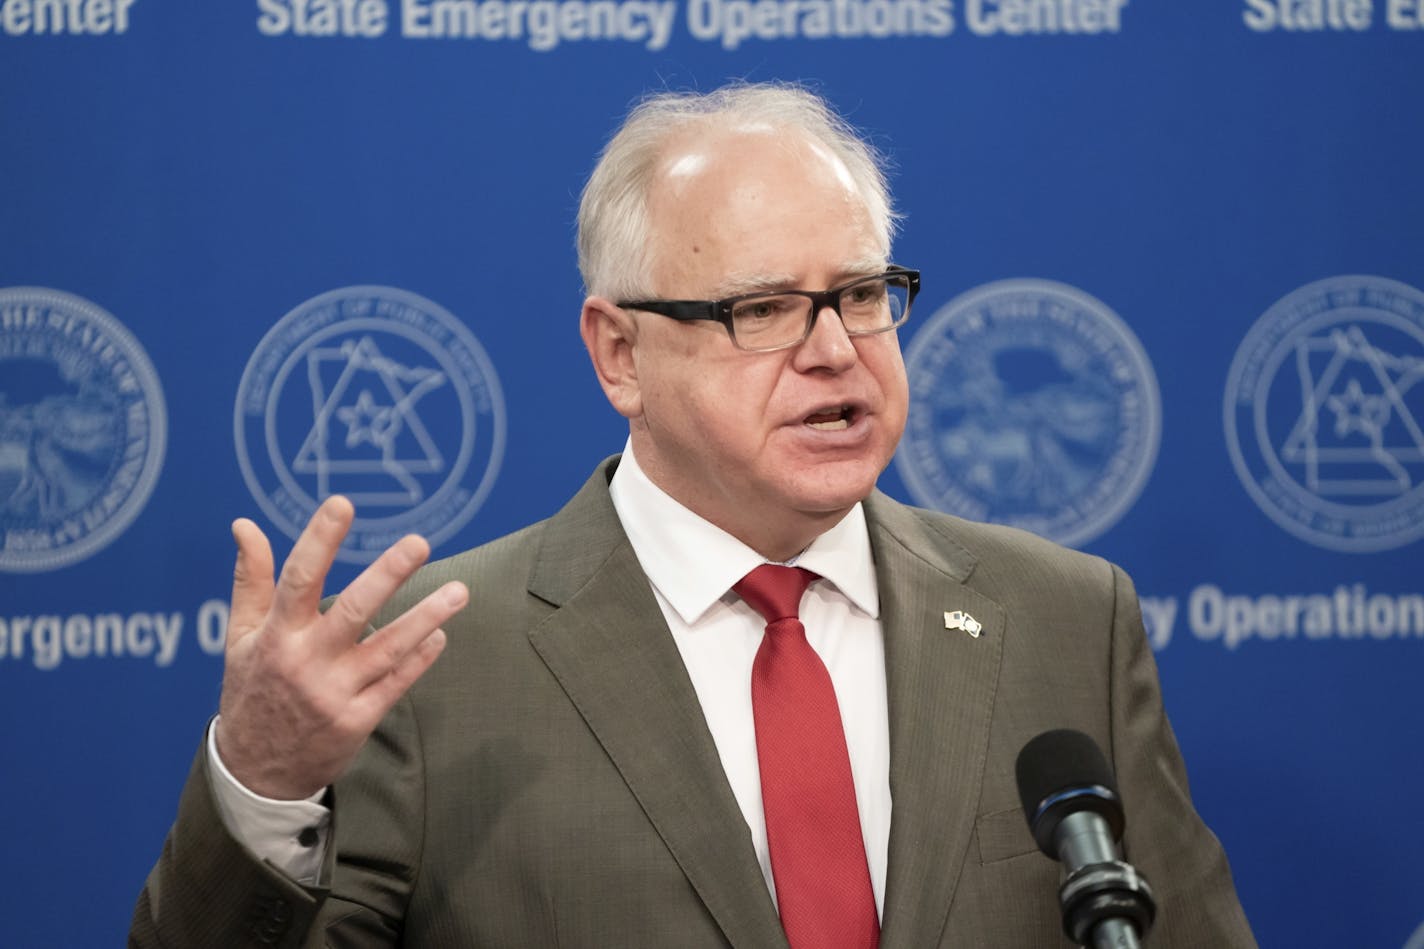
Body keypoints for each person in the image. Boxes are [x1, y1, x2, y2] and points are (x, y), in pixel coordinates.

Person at [131, 82, 1256, 948]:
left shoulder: (1062, 617)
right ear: (618, 353)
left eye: (860, 294)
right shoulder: (434, 658)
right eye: (760, 308)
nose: (834, 350)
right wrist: (266, 783)